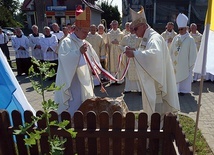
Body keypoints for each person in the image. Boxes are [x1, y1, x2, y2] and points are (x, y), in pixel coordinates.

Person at [125, 8, 180, 125]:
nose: (134, 32)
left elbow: (154, 56)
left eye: (135, 29)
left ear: (143, 26)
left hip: (157, 86)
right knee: (155, 114)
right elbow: (146, 52)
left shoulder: (154, 38)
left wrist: (135, 54)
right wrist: (136, 52)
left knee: (158, 113)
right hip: (154, 81)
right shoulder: (147, 37)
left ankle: (158, 134)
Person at [54, 7, 101, 116]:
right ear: (77, 29)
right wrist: (77, 53)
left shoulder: (85, 42)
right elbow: (64, 59)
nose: (86, 34)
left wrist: (94, 68)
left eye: (87, 31)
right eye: (84, 31)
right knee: (73, 105)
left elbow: (92, 58)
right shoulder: (67, 42)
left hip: (84, 80)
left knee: (84, 104)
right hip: (72, 81)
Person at [169, 13, 197, 95]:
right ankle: (176, 90)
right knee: (175, 76)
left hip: (184, 63)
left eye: (182, 29)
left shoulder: (190, 39)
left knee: (184, 76)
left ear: (186, 29)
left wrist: (190, 64)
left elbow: (193, 53)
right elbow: (171, 49)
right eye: (179, 29)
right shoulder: (176, 37)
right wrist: (170, 58)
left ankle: (184, 90)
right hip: (175, 62)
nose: (180, 31)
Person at [120, 25, 141, 93]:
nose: (132, 30)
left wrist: (134, 49)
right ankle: (128, 88)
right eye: (130, 28)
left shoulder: (139, 38)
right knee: (128, 73)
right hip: (128, 58)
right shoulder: (126, 37)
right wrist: (125, 48)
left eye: (133, 28)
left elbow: (142, 47)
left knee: (137, 73)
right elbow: (120, 45)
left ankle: (139, 89)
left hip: (136, 58)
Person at [107, 20, 124, 84]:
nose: (114, 26)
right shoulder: (109, 34)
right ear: (111, 25)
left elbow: (123, 43)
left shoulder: (121, 34)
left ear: (118, 25)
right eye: (113, 24)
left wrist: (118, 43)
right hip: (111, 52)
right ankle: (113, 80)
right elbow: (107, 44)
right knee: (112, 65)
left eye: (115, 24)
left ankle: (119, 80)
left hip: (118, 51)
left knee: (118, 65)